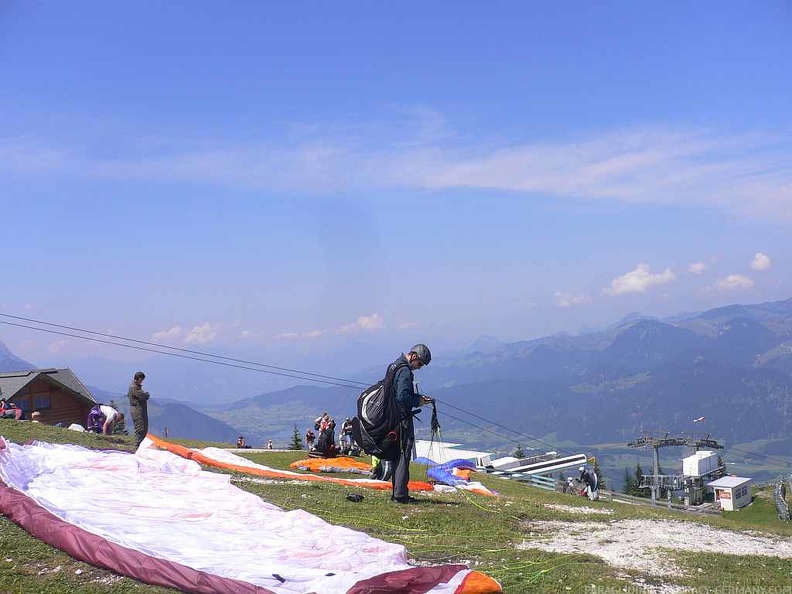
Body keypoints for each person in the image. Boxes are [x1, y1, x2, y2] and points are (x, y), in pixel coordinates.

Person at [389, 343, 433, 504]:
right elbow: (402, 397)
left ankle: (398, 492)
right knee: (403, 455)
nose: (419, 367)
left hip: (392, 418)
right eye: (420, 364)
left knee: (397, 456)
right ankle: (400, 495)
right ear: (414, 356)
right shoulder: (405, 371)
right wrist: (419, 401)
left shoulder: (394, 365)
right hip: (401, 420)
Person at [127, 371, 150, 448]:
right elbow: (144, 396)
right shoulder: (134, 388)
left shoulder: (134, 386)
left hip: (139, 409)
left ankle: (141, 445)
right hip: (137, 410)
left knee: (143, 428)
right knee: (140, 428)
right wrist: (147, 394)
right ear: (139, 379)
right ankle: (138, 446)